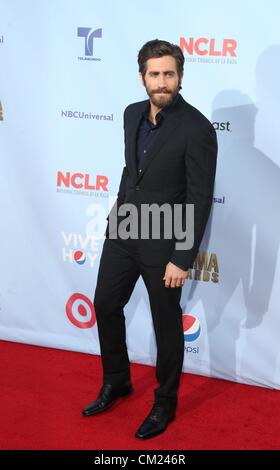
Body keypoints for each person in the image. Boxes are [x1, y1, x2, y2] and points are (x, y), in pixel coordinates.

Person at [82, 39, 218, 440]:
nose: (162, 82)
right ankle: (117, 380)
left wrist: (182, 256)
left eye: (169, 74)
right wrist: (119, 215)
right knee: (104, 303)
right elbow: (132, 170)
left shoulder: (197, 128)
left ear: (180, 75)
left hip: (165, 240)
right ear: (142, 76)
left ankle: (165, 402)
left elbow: (199, 198)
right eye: (154, 74)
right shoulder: (130, 115)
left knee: (165, 322)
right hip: (125, 229)